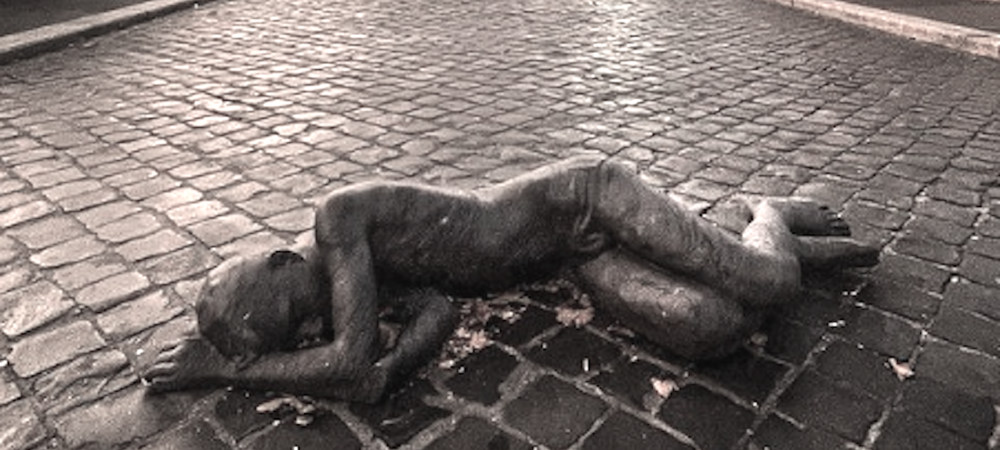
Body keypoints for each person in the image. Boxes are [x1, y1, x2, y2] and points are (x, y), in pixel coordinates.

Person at [144, 156, 878, 403]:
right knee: (711, 327)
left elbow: (348, 362)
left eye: (289, 316)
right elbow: (432, 319)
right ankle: (763, 246)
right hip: (571, 256)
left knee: (768, 286)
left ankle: (770, 214)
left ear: (280, 261)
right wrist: (392, 362)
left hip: (585, 196)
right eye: (292, 334)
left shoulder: (339, 221)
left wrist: (235, 373)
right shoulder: (357, 280)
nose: (312, 327)